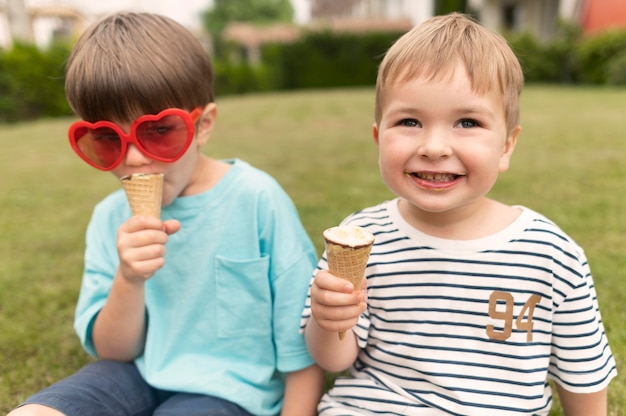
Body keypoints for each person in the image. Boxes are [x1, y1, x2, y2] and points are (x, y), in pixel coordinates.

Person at [301, 13, 616, 416]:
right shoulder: (361, 237)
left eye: (467, 122)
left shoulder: (552, 255)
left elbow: (584, 378)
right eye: (409, 121)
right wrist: (328, 319)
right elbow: (334, 359)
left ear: (506, 146)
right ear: (379, 139)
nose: (434, 146)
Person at [9, 12, 322, 416]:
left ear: (203, 125)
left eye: (158, 131)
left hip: (226, 389)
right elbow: (114, 352)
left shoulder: (255, 199)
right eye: (108, 139)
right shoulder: (109, 218)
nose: (135, 158)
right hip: (134, 373)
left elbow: (300, 338)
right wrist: (129, 278)